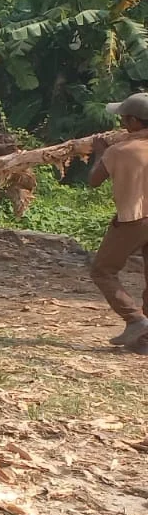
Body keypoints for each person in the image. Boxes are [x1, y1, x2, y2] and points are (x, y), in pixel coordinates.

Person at [88, 92, 148, 348]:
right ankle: (144, 340)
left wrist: (100, 154)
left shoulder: (119, 150)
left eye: (124, 119)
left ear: (134, 121)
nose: (121, 123)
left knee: (103, 270)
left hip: (134, 219)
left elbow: (93, 181)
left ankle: (135, 320)